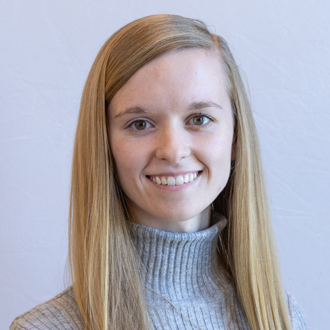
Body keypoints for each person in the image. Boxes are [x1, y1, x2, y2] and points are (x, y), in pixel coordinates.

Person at [10, 14, 307, 330]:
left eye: (199, 119)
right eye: (140, 124)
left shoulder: (283, 317)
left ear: (236, 138)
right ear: (104, 145)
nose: (173, 151)